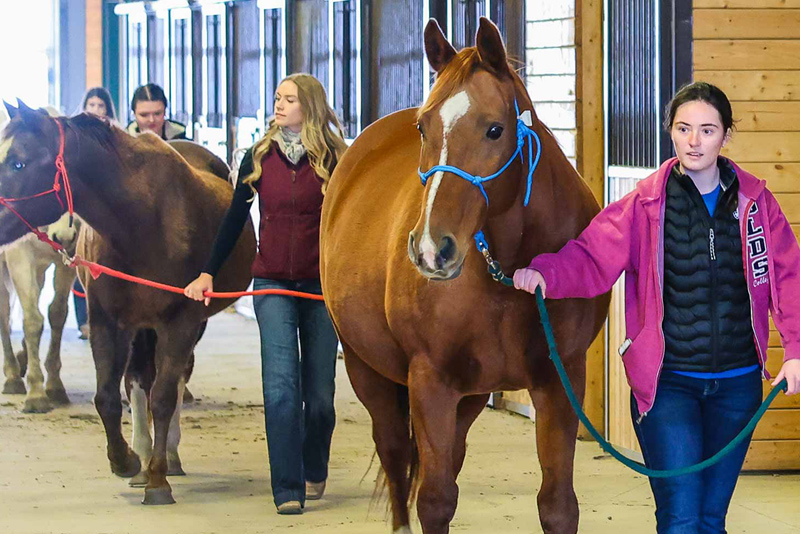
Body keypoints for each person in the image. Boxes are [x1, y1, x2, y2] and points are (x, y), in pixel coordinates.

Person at [512, 81, 800, 534]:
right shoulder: (643, 204)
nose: (694, 140)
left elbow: (787, 277)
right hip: (668, 388)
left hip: (738, 386)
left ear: (725, 136)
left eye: (707, 130)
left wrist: (795, 350)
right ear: (671, 132)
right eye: (684, 129)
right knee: (682, 518)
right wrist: (547, 273)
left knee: (710, 519)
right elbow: (591, 256)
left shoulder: (757, 205)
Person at [184, 73, 348, 515]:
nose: (279, 105)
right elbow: (234, 220)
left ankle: (314, 462)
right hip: (272, 282)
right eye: (277, 98)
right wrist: (208, 272)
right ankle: (287, 487)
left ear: (308, 107)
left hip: (320, 285)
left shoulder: (335, 158)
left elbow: (351, 224)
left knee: (321, 398)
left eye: (289, 99)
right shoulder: (258, 157)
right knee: (279, 389)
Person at [73, 87, 118, 339]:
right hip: (82, 212)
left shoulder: (116, 135)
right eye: (92, 105)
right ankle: (84, 320)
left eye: (101, 106)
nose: (96, 110)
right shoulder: (75, 138)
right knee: (80, 265)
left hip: (107, 211)